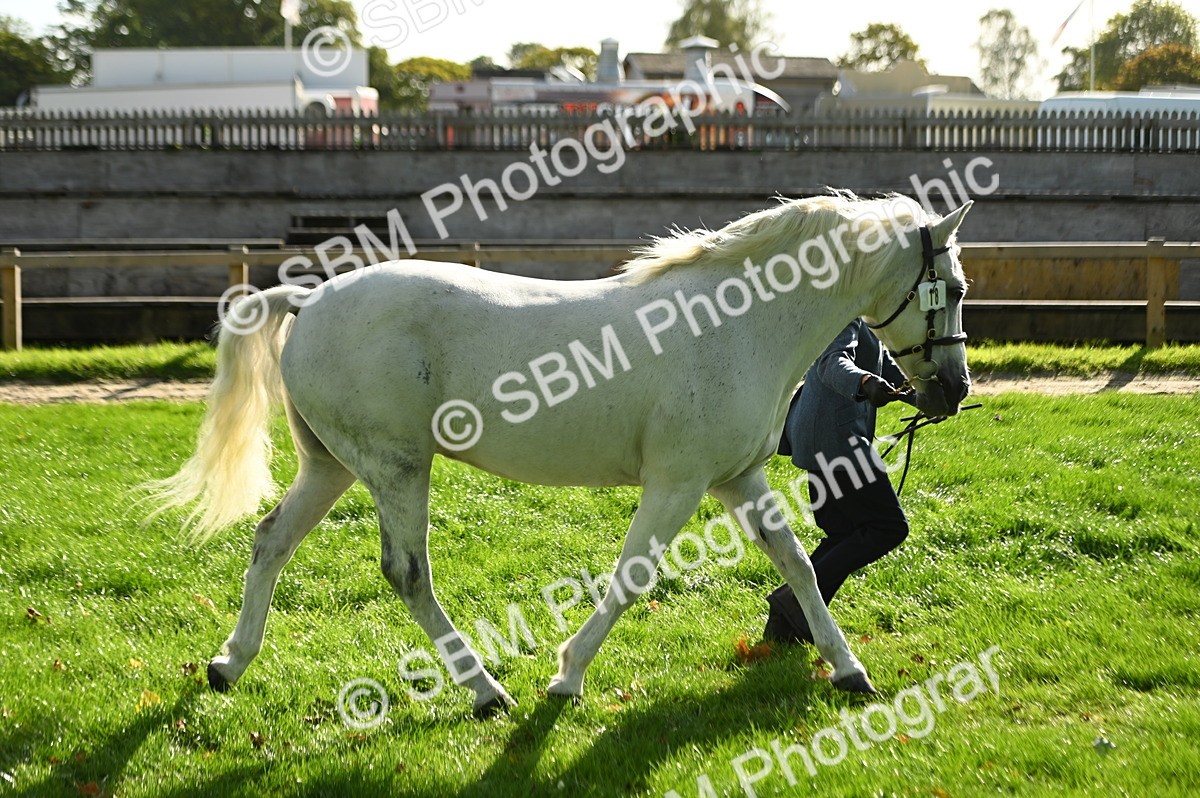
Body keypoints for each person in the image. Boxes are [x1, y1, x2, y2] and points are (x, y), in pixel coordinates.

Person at [764, 318, 923, 645]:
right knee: (888, 527)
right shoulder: (845, 308)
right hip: (835, 439)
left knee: (844, 532)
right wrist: (865, 383)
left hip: (821, 434)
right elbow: (831, 362)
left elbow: (884, 364)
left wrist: (923, 397)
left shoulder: (865, 310)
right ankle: (792, 602)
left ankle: (790, 621)